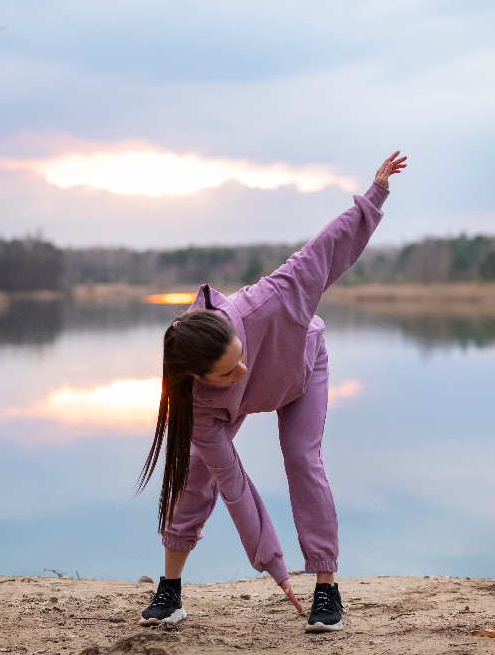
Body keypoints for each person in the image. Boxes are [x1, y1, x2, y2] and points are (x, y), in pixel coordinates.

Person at [136, 151, 407, 632]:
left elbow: (328, 247)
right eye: (226, 371)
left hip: (302, 370)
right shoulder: (197, 405)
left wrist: (375, 193)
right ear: (199, 377)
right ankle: (171, 591)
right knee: (199, 469)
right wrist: (274, 567)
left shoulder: (273, 299)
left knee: (302, 457)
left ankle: (327, 589)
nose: (241, 366)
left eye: (239, 354)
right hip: (240, 403)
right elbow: (235, 487)